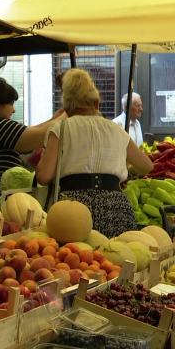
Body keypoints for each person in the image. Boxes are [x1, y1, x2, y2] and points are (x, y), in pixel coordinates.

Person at [36, 69, 153, 238]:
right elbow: (147, 165)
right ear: (97, 103)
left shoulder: (60, 129)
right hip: (115, 207)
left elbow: (43, 176)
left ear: (66, 109)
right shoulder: (116, 129)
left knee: (75, 261)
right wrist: (127, 168)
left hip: (72, 208)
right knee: (115, 258)